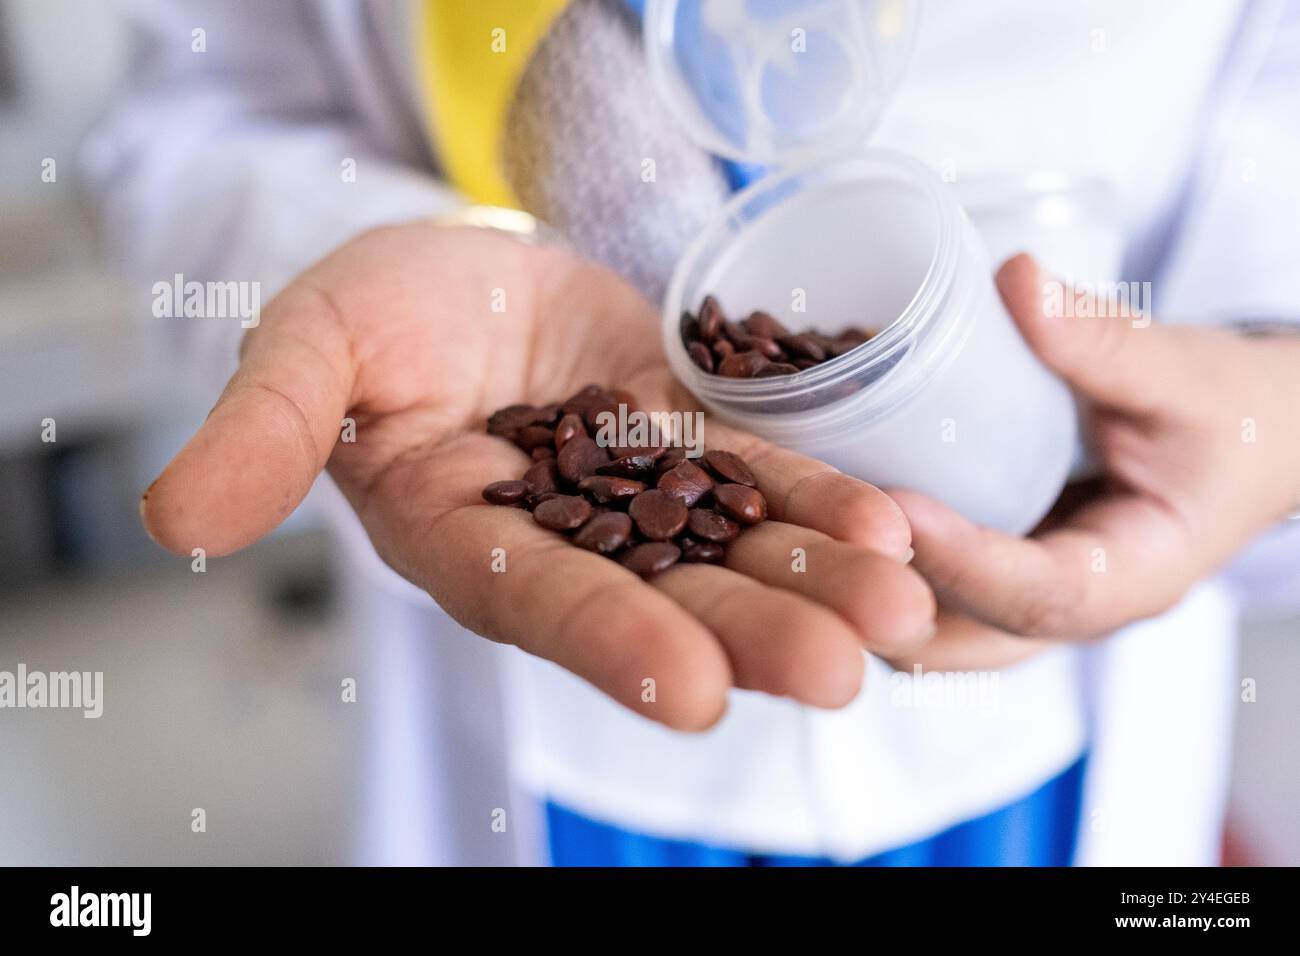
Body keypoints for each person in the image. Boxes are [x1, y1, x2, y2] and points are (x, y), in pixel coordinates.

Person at [86, 0, 1300, 865]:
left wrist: (1271, 396)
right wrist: (370, 271)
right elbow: (200, 112)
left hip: (1058, 728)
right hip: (552, 726)